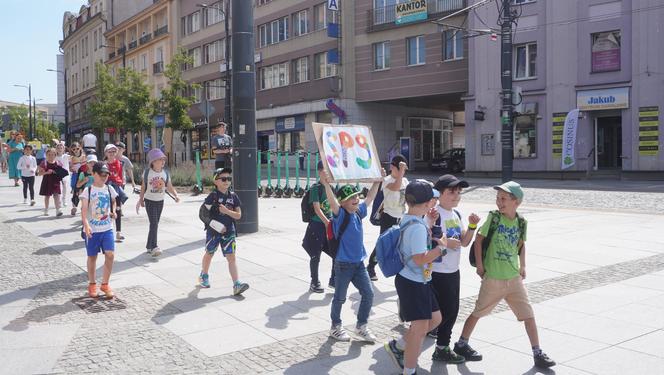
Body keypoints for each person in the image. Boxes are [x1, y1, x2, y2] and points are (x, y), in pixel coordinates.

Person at [453, 181, 556, 369]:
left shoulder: (521, 222)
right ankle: (461, 343)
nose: (499, 202)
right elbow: (478, 241)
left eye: (503, 199)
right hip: (493, 278)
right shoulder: (493, 218)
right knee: (477, 312)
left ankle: (537, 352)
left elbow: (521, 244)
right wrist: (480, 266)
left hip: (514, 279)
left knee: (529, 315)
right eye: (497, 198)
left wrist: (522, 266)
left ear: (516, 202)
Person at [384, 180, 447, 374]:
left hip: (418, 280)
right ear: (428, 203)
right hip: (413, 282)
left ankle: (399, 345)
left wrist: (428, 222)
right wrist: (441, 248)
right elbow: (420, 258)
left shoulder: (410, 218)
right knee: (419, 330)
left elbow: (414, 239)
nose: (435, 202)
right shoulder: (417, 227)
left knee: (435, 319)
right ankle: (409, 370)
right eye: (433, 199)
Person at [322, 170, 382, 343]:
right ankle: (335, 327)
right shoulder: (340, 215)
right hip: (343, 265)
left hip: (359, 264)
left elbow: (369, 198)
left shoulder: (357, 212)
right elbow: (333, 203)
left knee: (368, 294)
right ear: (342, 203)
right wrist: (327, 184)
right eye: (351, 198)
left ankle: (361, 326)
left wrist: (377, 182)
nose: (356, 199)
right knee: (340, 297)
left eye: (356, 196)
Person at [425, 175, 480, 364]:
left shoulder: (456, 215)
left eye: (458, 192)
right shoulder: (433, 213)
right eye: (451, 191)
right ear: (439, 194)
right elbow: (426, 235)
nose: (456, 195)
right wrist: (447, 242)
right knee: (438, 314)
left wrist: (472, 226)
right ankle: (416, 345)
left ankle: (441, 347)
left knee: (451, 311)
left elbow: (464, 242)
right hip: (436, 271)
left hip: (452, 271)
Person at [198, 168, 249, 295]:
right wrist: (215, 225)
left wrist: (227, 212)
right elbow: (203, 214)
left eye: (229, 179)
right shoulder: (212, 196)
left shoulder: (233, 196)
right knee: (209, 253)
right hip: (213, 232)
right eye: (224, 179)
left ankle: (236, 284)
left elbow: (238, 215)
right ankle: (204, 274)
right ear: (216, 181)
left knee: (231, 257)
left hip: (229, 232)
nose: (227, 181)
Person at [367, 154, 409, 281]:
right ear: (392, 167)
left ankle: (402, 268)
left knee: (400, 244)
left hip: (400, 217)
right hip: (388, 217)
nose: (403, 171)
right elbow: (396, 187)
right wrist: (401, 172)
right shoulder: (387, 181)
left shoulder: (405, 181)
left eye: (404, 169)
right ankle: (370, 266)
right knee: (383, 243)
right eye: (400, 168)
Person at [81, 161, 118, 299]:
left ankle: (105, 284)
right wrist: (86, 225)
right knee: (92, 257)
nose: (104, 177)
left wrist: (114, 211)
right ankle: (92, 284)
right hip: (93, 230)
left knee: (110, 255)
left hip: (107, 228)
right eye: (101, 174)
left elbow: (113, 201)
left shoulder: (109, 189)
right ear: (94, 174)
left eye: (106, 174)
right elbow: (83, 210)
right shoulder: (88, 190)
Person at [136, 148, 180, 257]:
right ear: (153, 162)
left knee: (154, 224)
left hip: (160, 201)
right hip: (149, 200)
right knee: (154, 223)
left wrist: (176, 195)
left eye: (163, 159)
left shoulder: (165, 173)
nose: (163, 161)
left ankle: (149, 246)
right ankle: (154, 247)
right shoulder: (147, 173)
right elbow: (143, 187)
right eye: (160, 159)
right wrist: (141, 199)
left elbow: (169, 186)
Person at [301, 160, 336, 293]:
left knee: (335, 253)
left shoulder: (330, 188)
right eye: (327, 170)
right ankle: (314, 281)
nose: (329, 174)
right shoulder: (316, 188)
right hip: (317, 226)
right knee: (315, 255)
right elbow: (317, 209)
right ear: (320, 172)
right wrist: (327, 223)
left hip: (328, 225)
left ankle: (333, 280)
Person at [104, 144, 128, 242]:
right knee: (108, 209)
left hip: (117, 187)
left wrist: (121, 184)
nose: (112, 153)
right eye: (110, 151)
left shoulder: (119, 163)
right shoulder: (104, 164)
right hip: (107, 188)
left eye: (114, 151)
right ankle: (106, 231)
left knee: (118, 209)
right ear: (106, 153)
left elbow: (120, 175)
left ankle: (118, 232)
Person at [38, 148, 64, 217]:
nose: (51, 156)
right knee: (47, 196)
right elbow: (39, 173)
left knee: (56, 195)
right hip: (47, 181)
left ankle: (58, 210)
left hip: (55, 181)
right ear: (46, 155)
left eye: (52, 155)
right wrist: (46, 172)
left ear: (55, 155)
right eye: (49, 155)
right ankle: (46, 209)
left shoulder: (58, 163)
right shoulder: (44, 163)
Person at [69, 143, 87, 214]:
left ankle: (83, 207)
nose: (76, 150)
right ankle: (74, 207)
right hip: (75, 175)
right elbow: (70, 168)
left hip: (83, 175)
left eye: (77, 148)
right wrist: (72, 168)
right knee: (75, 191)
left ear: (80, 148)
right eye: (73, 149)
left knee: (83, 191)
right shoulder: (71, 158)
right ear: (71, 150)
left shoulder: (84, 156)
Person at [55, 142, 71, 207]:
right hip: (57, 174)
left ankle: (64, 200)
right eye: (58, 148)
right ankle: (59, 201)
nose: (59, 149)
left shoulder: (66, 156)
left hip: (65, 174)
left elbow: (73, 156)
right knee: (59, 188)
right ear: (56, 149)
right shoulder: (55, 157)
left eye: (61, 148)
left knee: (64, 187)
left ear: (64, 149)